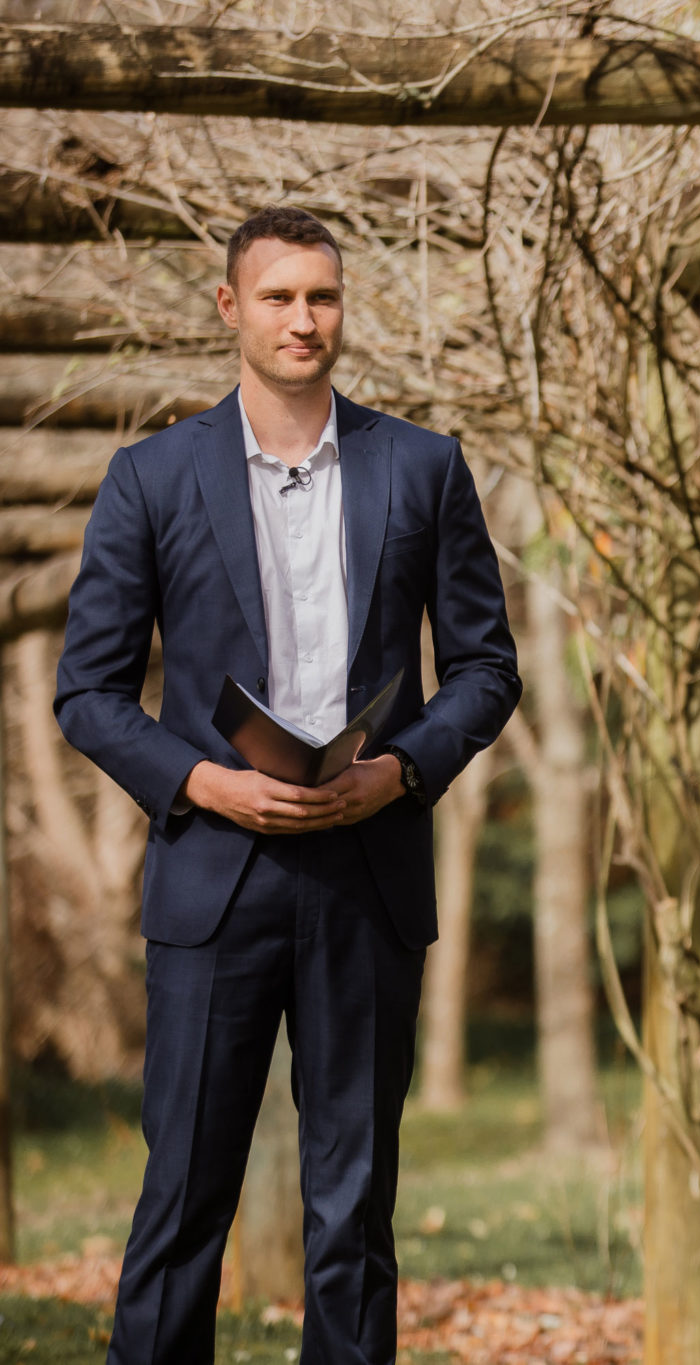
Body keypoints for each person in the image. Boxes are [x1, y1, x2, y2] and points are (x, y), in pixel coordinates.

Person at [55, 206, 521, 1364]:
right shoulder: (149, 477)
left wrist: (404, 770)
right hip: (213, 880)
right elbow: (89, 694)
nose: (301, 319)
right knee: (181, 1205)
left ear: (341, 307)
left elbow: (484, 669)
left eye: (321, 296)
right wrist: (207, 783)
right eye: (277, 297)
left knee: (352, 1212)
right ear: (230, 309)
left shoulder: (422, 465)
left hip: (367, 874)